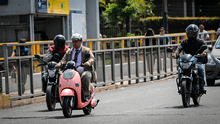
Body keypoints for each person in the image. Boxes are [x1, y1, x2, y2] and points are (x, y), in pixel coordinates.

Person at [55, 33, 97, 102]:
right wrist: (58, 65)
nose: (74, 44)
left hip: (83, 71)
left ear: (81, 41)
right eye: (73, 42)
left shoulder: (86, 50)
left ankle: (86, 95)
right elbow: (63, 60)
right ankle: (59, 95)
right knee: (60, 77)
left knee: (86, 76)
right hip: (71, 72)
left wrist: (87, 63)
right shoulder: (69, 52)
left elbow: (92, 58)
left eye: (76, 41)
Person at [172, 24, 207, 93]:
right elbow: (179, 48)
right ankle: (180, 84)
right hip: (187, 61)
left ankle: (202, 86)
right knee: (180, 70)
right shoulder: (184, 42)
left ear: (196, 33)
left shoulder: (200, 41)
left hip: (197, 60)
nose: (191, 35)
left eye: (193, 34)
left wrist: (204, 52)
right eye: (190, 34)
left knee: (200, 69)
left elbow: (205, 47)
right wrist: (175, 54)